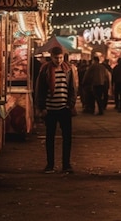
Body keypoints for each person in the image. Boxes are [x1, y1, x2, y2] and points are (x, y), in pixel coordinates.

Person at [35, 46, 77, 174]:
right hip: (50, 109)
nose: (58, 60)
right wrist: (42, 107)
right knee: (50, 138)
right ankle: (50, 164)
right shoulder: (45, 70)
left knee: (67, 138)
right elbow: (40, 89)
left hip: (64, 108)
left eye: (60, 57)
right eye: (56, 58)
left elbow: (72, 89)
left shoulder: (68, 69)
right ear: (51, 57)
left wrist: (70, 105)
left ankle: (66, 164)